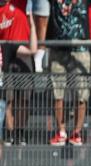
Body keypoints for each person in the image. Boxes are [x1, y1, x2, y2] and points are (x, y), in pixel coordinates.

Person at [47, 0, 90, 146]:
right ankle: (61, 131)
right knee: (57, 93)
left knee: (81, 94)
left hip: (81, 49)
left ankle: (77, 132)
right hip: (58, 48)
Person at [0, 1, 37, 147]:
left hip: (23, 52)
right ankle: (9, 133)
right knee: (9, 98)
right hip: (6, 54)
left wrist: (33, 25)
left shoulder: (18, 3)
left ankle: (20, 133)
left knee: (24, 98)